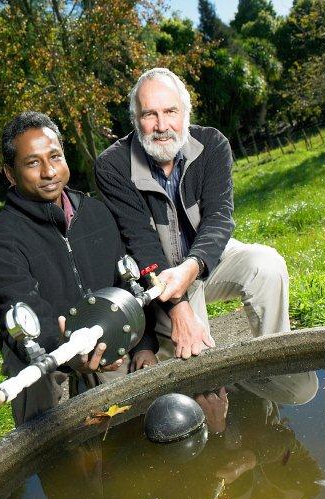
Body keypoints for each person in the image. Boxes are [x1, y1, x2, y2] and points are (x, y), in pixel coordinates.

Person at [95, 68, 290, 360]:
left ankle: (278, 370)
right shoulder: (112, 166)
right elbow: (139, 241)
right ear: (136, 121)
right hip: (155, 273)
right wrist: (178, 307)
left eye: (170, 111)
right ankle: (211, 389)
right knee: (195, 350)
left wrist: (193, 266)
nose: (162, 125)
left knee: (267, 265)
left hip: (205, 258)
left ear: (186, 113)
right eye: (149, 115)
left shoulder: (212, 144)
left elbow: (219, 218)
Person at [0, 111, 158, 426]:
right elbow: (24, 313)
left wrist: (143, 344)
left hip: (105, 338)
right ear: (10, 173)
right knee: (55, 445)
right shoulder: (0, 242)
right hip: (44, 354)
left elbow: (127, 284)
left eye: (55, 157)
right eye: (32, 163)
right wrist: (69, 354)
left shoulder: (97, 213)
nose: (49, 171)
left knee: (135, 426)